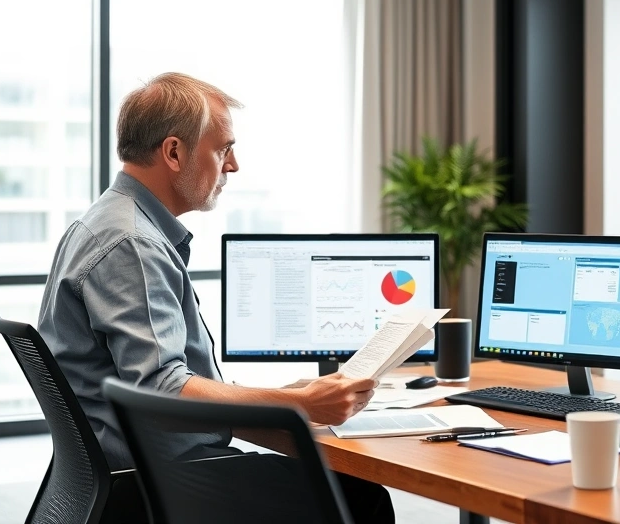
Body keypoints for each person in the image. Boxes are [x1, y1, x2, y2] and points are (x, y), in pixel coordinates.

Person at [38, 72, 394, 523]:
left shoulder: (109, 221)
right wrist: (299, 406)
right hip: (160, 483)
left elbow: (160, 382)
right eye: (223, 147)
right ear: (173, 152)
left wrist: (279, 398)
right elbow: (160, 387)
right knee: (362, 499)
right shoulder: (133, 242)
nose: (233, 165)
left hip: (131, 474)